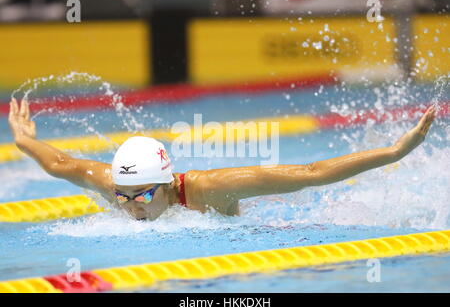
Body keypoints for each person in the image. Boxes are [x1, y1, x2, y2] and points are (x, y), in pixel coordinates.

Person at [8, 98, 437, 220]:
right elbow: (63, 164)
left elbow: (311, 172)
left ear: (166, 183)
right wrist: (26, 141)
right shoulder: (121, 185)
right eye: (122, 197)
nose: (128, 207)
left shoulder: (211, 190)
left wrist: (395, 151)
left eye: (139, 197)